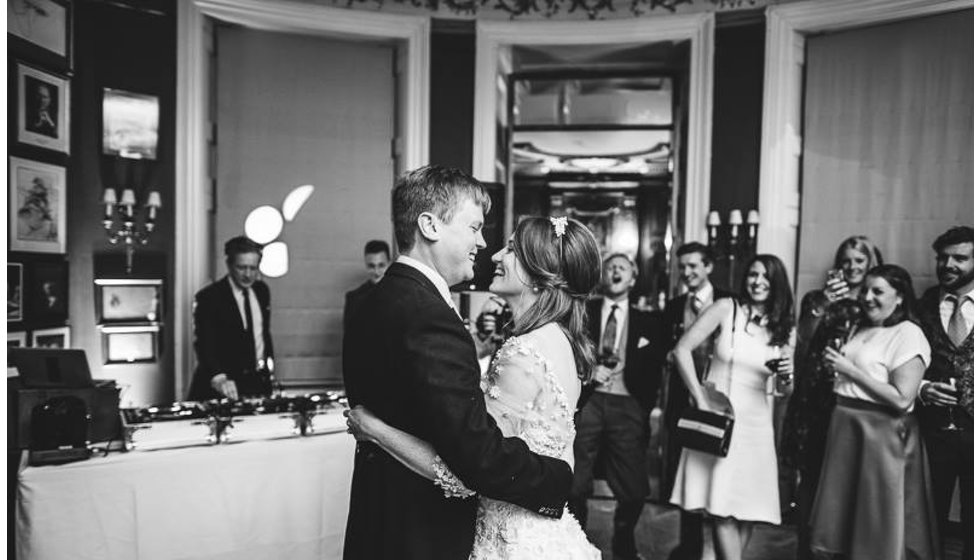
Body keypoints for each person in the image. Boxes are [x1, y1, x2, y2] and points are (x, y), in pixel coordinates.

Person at [342, 166, 584, 559]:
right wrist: (557, 479)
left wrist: (377, 431)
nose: (484, 244)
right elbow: (476, 457)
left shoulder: (376, 301)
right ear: (430, 226)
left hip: (384, 523)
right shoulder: (427, 313)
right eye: (474, 228)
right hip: (420, 535)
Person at [810, 264, 941, 560]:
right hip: (845, 426)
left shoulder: (909, 333)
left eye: (878, 291)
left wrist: (850, 371)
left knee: (876, 518)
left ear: (900, 297)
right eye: (866, 290)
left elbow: (901, 398)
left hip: (880, 435)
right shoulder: (862, 328)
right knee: (844, 517)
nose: (867, 297)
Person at [670, 255, 795, 560]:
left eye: (766, 277)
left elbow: (783, 392)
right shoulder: (727, 308)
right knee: (722, 510)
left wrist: (788, 374)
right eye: (753, 274)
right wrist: (700, 400)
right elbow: (681, 350)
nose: (758, 281)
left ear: (777, 283)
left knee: (748, 510)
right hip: (721, 418)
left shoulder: (784, 327)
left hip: (756, 426)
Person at [781, 235, 882, 558]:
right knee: (810, 480)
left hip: (854, 404)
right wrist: (824, 302)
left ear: (871, 265)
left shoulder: (877, 305)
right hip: (814, 404)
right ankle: (806, 551)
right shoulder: (815, 299)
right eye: (846, 260)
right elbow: (804, 342)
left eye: (859, 261)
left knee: (849, 485)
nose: (851, 267)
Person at [568, 252, 665, 560]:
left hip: (628, 403)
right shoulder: (583, 311)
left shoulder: (649, 320)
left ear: (633, 279)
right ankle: (576, 539)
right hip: (589, 400)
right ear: (603, 276)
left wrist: (642, 405)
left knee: (635, 488)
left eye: (622, 268)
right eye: (610, 267)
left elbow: (656, 367)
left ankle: (624, 540)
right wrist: (587, 372)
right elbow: (568, 347)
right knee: (574, 478)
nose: (615, 271)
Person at [662, 241, 733, 560]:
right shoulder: (675, 306)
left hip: (722, 398)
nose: (687, 272)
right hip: (683, 400)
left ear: (708, 267)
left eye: (693, 266)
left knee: (719, 472)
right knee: (687, 472)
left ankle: (720, 546)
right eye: (683, 267)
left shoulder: (730, 302)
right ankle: (689, 547)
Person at [916, 226, 973, 559]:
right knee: (929, 516)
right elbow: (898, 361)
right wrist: (923, 389)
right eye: (943, 257)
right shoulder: (920, 306)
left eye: (960, 258)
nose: (948, 264)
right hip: (932, 431)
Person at [187, 236, 275, 401]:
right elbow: (205, 344)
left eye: (253, 268)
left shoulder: (262, 291)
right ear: (229, 265)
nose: (248, 274)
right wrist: (220, 378)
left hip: (257, 385)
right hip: (222, 387)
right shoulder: (209, 297)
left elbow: (263, 335)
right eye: (241, 268)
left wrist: (269, 374)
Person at [343, 239, 391, 330]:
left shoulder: (402, 295)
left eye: (381, 265)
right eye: (371, 266)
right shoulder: (354, 299)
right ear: (365, 264)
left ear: (389, 263)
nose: (376, 272)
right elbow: (349, 341)